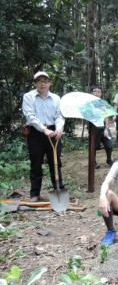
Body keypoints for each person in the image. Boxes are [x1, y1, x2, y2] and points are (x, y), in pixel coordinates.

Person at [22, 71, 65, 202]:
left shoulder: (56, 98)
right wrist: (44, 129)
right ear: (35, 83)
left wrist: (59, 128)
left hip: (53, 131)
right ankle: (35, 194)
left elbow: (60, 115)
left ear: (49, 83)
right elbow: (30, 116)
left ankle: (59, 190)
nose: (43, 84)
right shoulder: (29, 97)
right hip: (36, 132)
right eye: (39, 81)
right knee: (36, 163)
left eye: (45, 81)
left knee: (55, 162)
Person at [90, 85, 113, 168]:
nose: (97, 93)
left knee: (109, 144)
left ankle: (109, 160)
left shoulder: (103, 103)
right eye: (95, 91)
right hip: (93, 128)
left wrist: (106, 128)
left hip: (103, 126)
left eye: (99, 92)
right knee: (94, 146)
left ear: (101, 93)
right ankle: (93, 162)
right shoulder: (88, 104)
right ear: (91, 92)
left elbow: (106, 116)